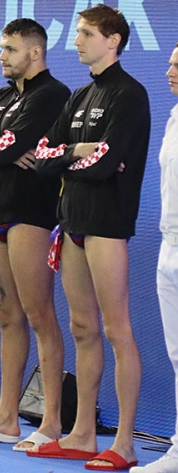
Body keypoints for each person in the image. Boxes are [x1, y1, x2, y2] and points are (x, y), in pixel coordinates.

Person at [32, 5, 150, 470]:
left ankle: (123, 442)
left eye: (85, 33)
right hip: (73, 223)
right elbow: (41, 158)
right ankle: (81, 433)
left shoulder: (130, 95)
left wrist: (71, 157)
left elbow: (105, 164)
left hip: (107, 225)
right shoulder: (79, 96)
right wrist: (75, 153)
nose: (76, 40)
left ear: (113, 40)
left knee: (116, 329)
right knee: (82, 329)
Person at [0, 19, 69, 450]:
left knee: (40, 316)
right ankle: (5, 418)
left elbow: (8, 143)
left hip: (32, 215)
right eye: (1, 48)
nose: (1, 56)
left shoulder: (53, 95)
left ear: (34, 53)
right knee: (7, 318)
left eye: (9, 48)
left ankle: (52, 422)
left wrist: (0, 146)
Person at [133, 45, 178, 473]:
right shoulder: (172, 117)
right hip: (169, 246)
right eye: (170, 63)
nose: (168, 72)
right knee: (177, 352)